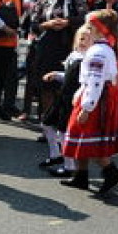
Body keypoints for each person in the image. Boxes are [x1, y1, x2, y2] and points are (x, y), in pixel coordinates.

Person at [60, 11, 118, 196]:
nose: (86, 31)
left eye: (90, 28)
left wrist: (87, 106)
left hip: (96, 99)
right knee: (80, 138)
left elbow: (95, 81)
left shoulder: (97, 52)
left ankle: (112, 173)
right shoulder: (104, 48)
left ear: (100, 31)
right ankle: (80, 176)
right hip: (96, 96)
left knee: (91, 140)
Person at [24, 0, 86, 124]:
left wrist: (67, 22)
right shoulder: (43, 0)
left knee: (68, 88)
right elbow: (33, 25)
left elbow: (83, 19)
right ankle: (47, 125)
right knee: (46, 87)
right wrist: (48, 24)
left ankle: (66, 125)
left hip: (70, 47)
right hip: (47, 48)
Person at [39, 24, 90, 177]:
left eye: (88, 40)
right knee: (46, 123)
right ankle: (56, 155)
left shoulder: (87, 60)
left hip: (73, 99)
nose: (83, 42)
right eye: (81, 38)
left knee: (63, 131)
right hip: (63, 95)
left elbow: (82, 81)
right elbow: (68, 76)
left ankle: (69, 166)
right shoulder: (74, 54)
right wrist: (56, 74)